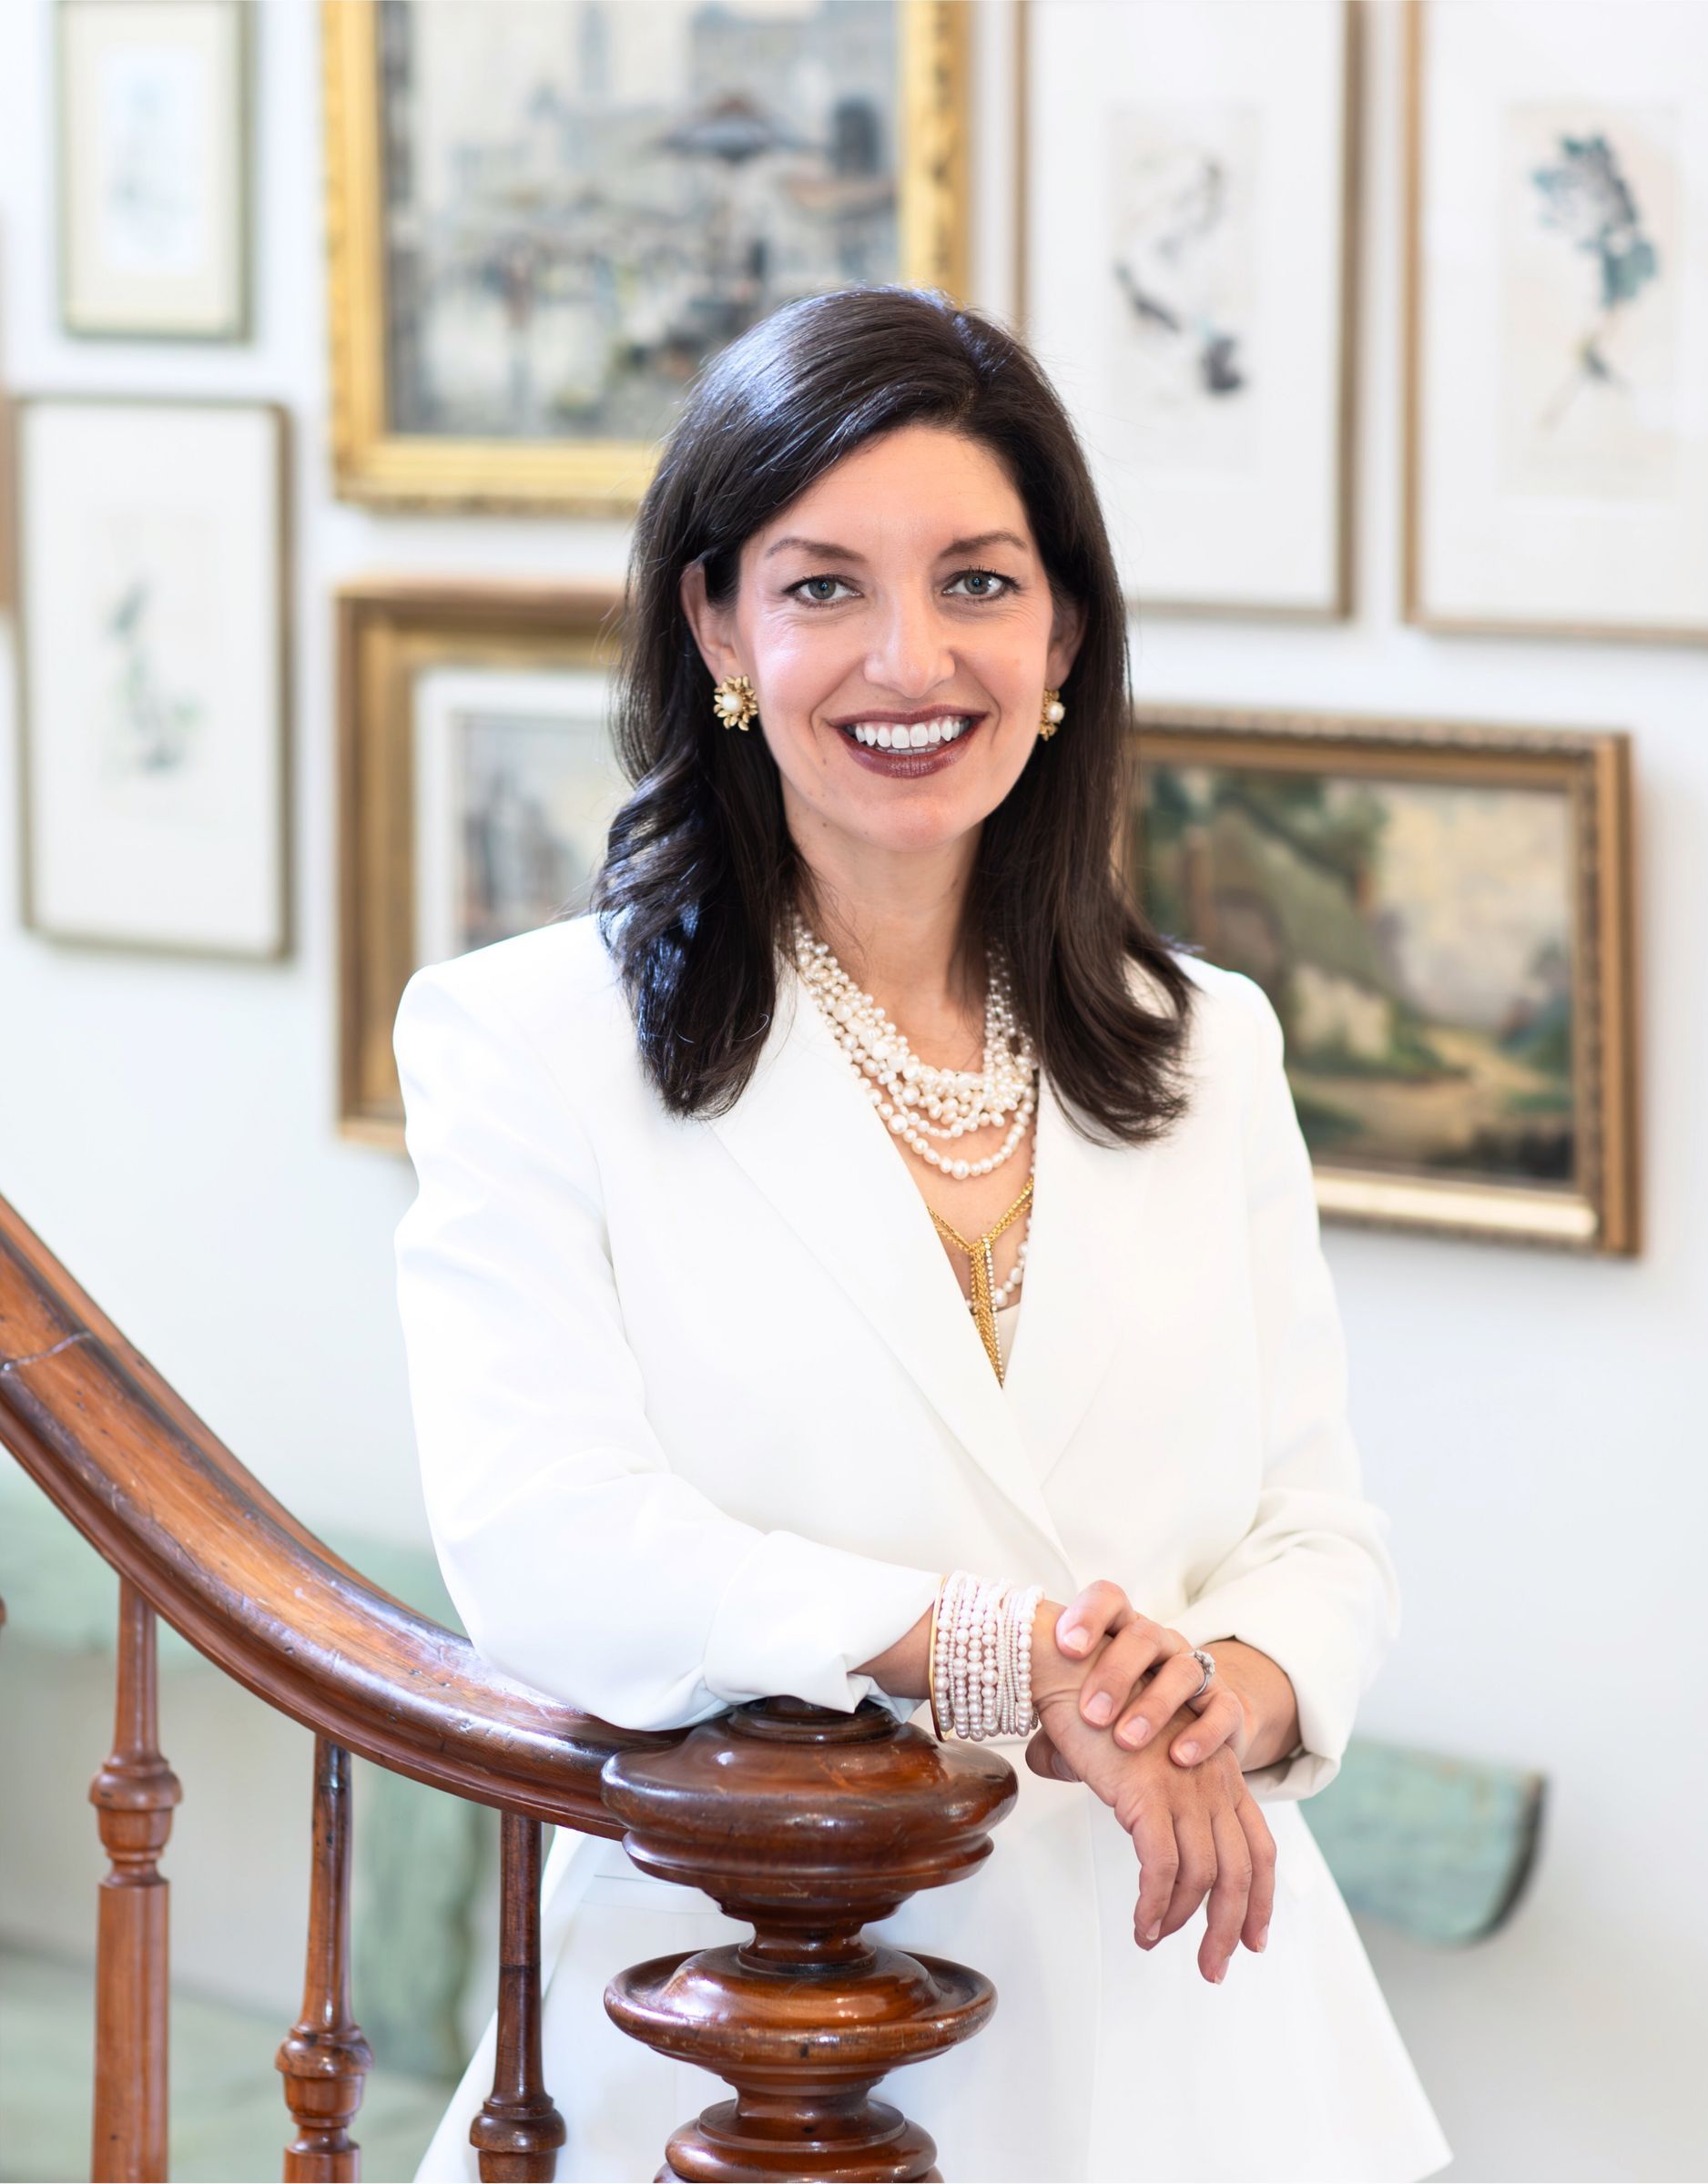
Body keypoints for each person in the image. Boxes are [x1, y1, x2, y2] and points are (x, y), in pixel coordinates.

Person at [392, 284, 1453, 2183]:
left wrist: (1216, 1693)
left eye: (977, 580)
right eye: (821, 587)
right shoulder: (527, 1041)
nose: (911, 657)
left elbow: (1319, 1533)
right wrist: (994, 1656)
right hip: (738, 2021)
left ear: (1063, 631)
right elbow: (549, 1549)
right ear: (715, 621)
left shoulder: (1212, 1044)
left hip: (1196, 2020)